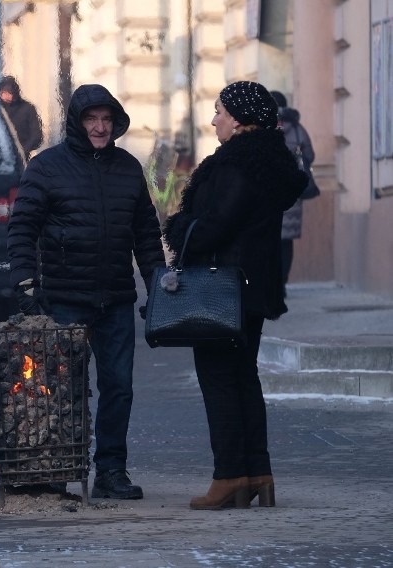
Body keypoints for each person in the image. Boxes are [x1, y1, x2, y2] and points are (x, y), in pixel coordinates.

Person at [7, 84, 166, 500]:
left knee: (119, 387)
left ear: (115, 123)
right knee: (64, 390)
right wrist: (26, 282)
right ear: (77, 123)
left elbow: (146, 233)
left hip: (114, 297)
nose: (99, 127)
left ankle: (111, 471)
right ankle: (59, 470)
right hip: (63, 297)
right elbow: (22, 227)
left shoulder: (128, 167)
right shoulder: (47, 168)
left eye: (106, 120)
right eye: (91, 119)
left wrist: (158, 286)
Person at [162, 81, 307, 510]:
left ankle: (229, 477)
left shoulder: (235, 165)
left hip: (222, 286)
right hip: (254, 286)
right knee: (243, 376)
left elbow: (215, 225)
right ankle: (257, 473)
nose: (214, 120)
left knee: (219, 378)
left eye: (219, 111)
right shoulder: (268, 162)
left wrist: (178, 227)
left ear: (240, 119)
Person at [270, 90, 316, 295]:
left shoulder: (266, 125)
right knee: (285, 240)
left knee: (268, 238)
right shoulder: (297, 128)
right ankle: (283, 282)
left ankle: (272, 282)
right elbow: (310, 155)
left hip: (267, 192)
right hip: (292, 193)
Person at [0, 76, 43, 159]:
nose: (6, 96)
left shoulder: (27, 109)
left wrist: (22, 151)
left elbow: (36, 135)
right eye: (3, 93)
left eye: (9, 93)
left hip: (21, 157)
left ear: (15, 93)